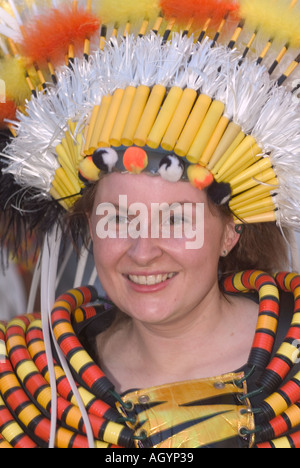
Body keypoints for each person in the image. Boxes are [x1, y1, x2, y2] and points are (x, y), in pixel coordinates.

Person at [0, 0, 300, 450]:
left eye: (177, 219)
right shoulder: (22, 379)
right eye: (118, 218)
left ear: (230, 232)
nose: (143, 251)